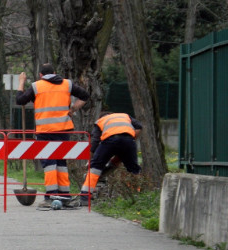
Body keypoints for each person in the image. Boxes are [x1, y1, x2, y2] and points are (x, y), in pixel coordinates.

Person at [16, 64, 90, 202]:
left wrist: (21, 82)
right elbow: (85, 96)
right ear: (55, 73)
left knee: (49, 163)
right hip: (63, 129)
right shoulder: (67, 84)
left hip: (45, 131)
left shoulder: (36, 86)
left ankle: (52, 194)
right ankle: (64, 194)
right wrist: (73, 109)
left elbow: (20, 100)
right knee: (61, 161)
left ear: (40, 75)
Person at [79, 111, 143, 203]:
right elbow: (139, 127)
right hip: (129, 140)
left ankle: (85, 196)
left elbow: (95, 142)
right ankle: (136, 195)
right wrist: (130, 139)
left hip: (109, 141)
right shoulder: (125, 115)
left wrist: (91, 161)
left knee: (95, 167)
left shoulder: (100, 121)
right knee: (133, 168)